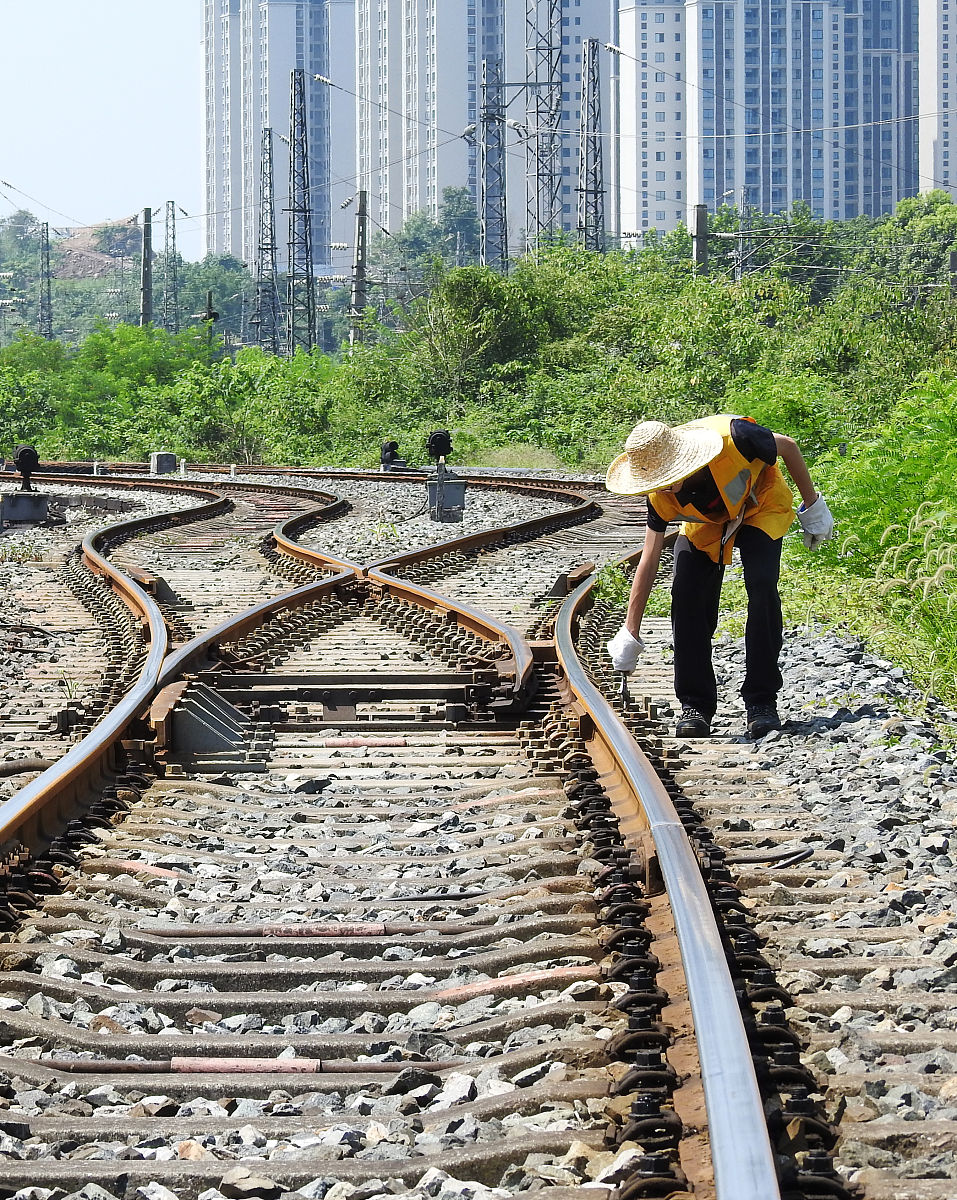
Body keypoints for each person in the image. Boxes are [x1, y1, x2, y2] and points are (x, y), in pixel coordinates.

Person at [604, 414, 834, 739]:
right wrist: (631, 631)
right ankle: (695, 706)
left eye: (669, 476)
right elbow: (650, 558)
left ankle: (761, 702)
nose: (666, 485)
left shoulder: (737, 438)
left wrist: (813, 506)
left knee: (762, 585)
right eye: (658, 480)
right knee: (686, 596)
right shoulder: (658, 495)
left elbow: (788, 446)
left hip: (760, 502)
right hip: (707, 523)